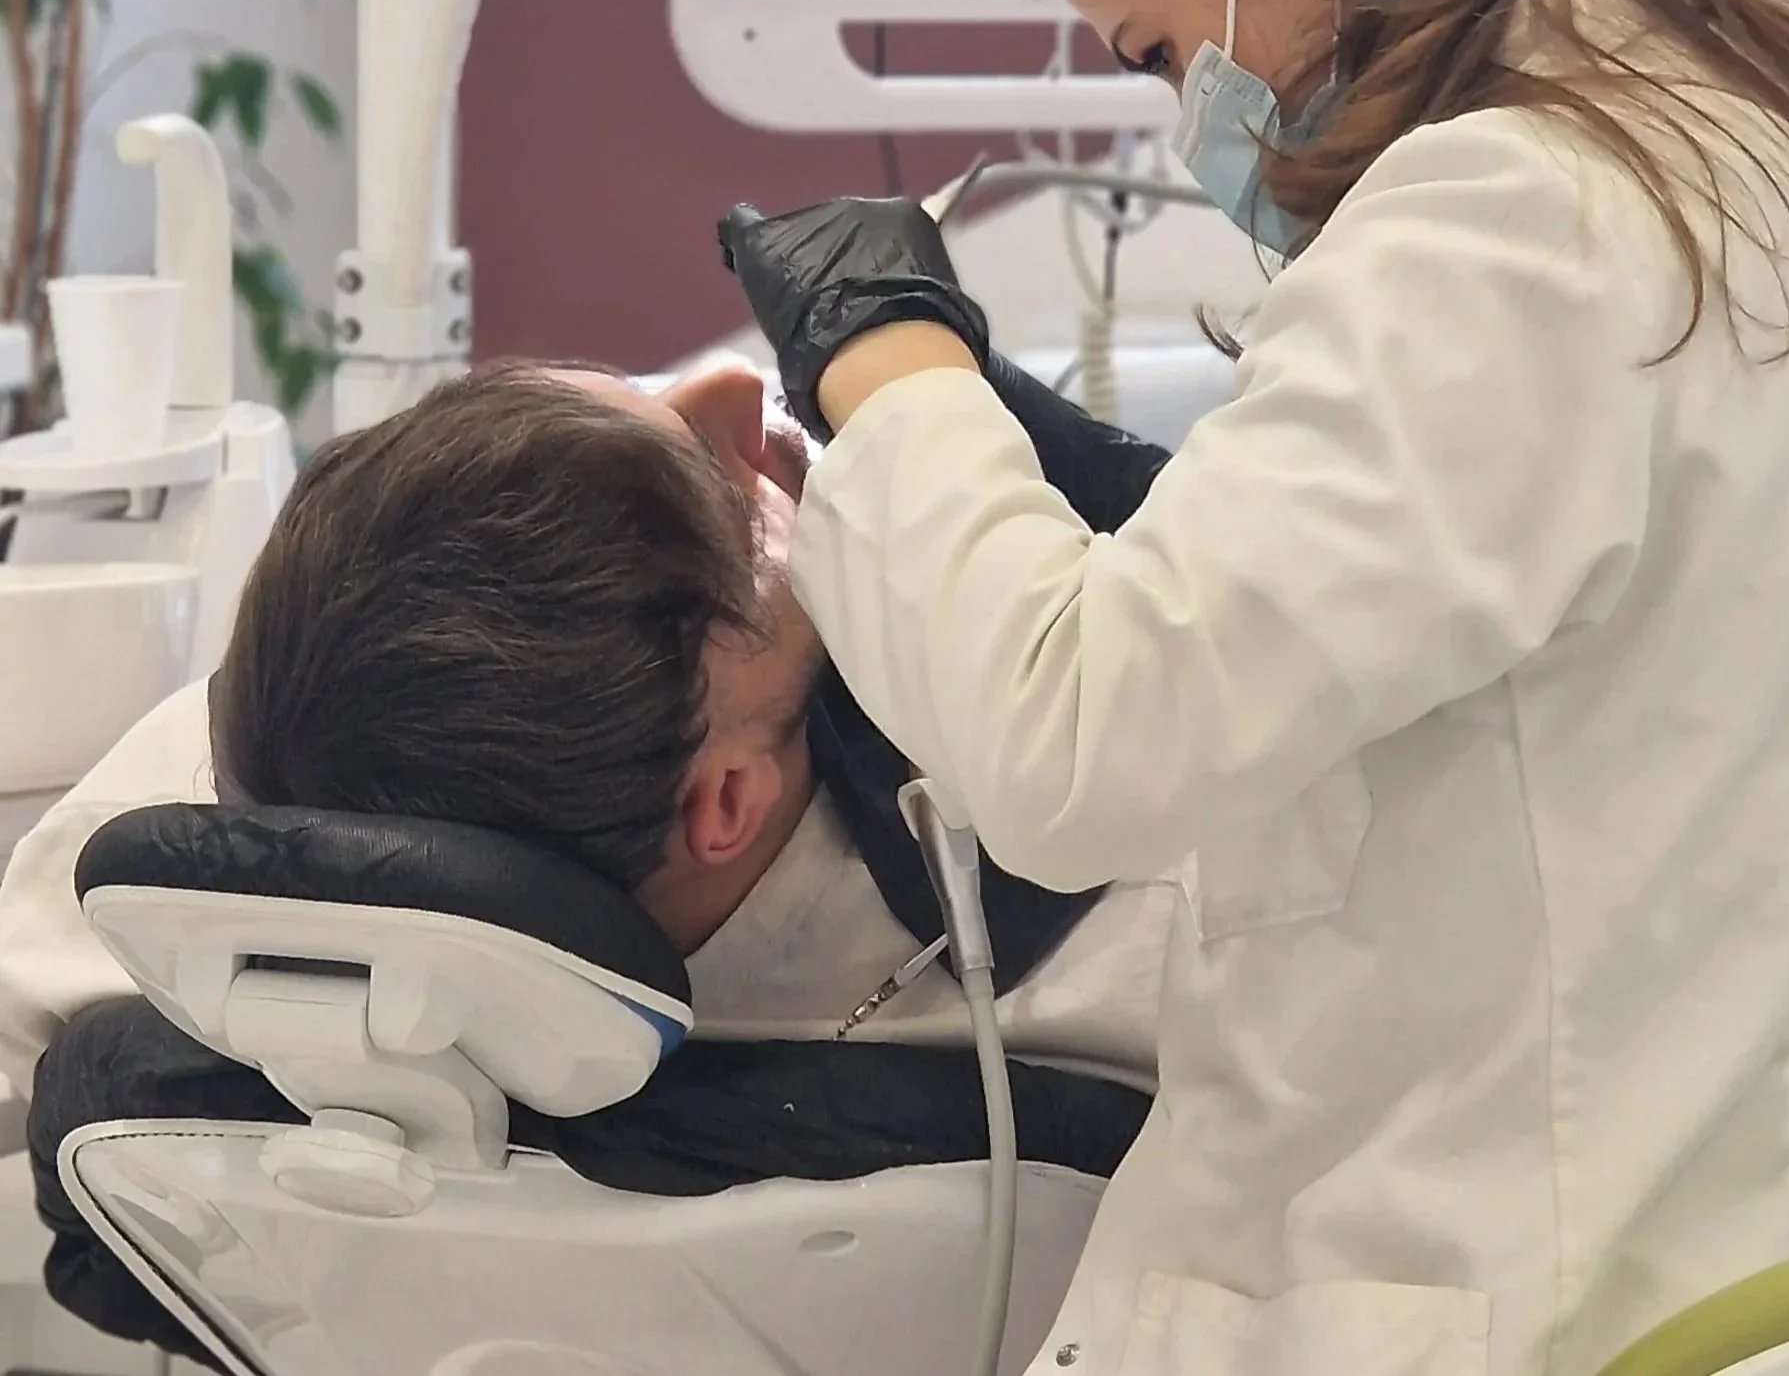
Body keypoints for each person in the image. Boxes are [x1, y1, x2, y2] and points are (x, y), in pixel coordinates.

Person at [717, 0, 1789, 1376]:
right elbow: (1460, 610)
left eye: (1161, 52)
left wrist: (887, 357)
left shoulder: (1505, 221)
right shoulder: (1738, 149)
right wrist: (1050, 468)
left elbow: (1078, 749)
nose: (1188, 119)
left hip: (1523, 1283)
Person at [0, 356, 1179, 1100]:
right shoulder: (1135, 943)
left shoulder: (158, 865)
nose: (726, 385)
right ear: (724, 802)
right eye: (727, 503)